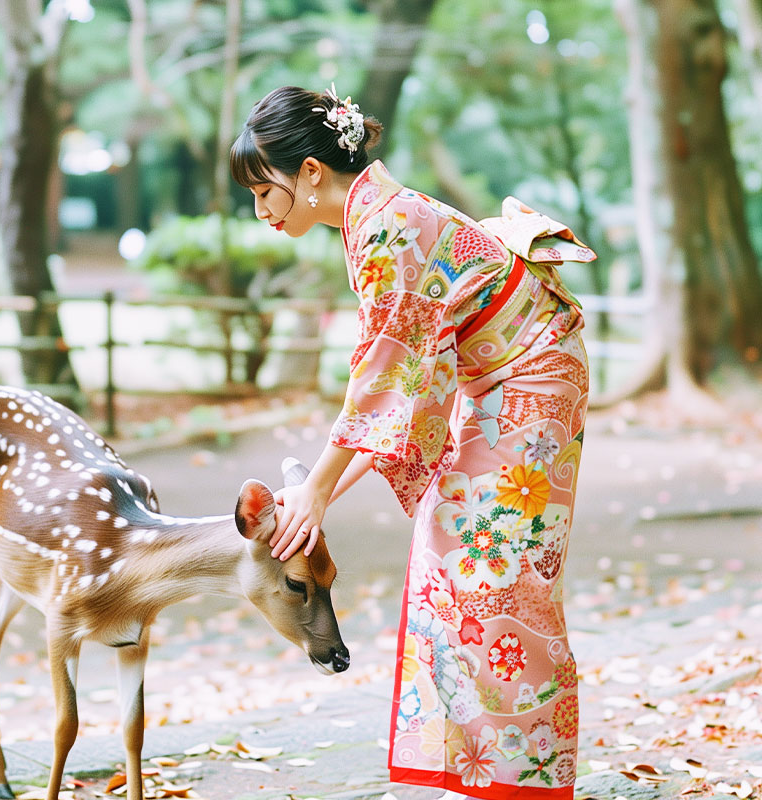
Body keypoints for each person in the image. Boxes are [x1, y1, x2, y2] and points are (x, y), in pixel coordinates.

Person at [230, 84, 595, 799]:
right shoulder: (374, 219)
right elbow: (406, 390)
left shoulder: (389, 225)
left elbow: (384, 378)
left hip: (529, 382)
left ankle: (530, 778)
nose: (261, 212)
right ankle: (491, 771)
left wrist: (318, 489)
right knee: (451, 554)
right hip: (502, 382)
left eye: (263, 191)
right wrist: (316, 494)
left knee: (497, 575)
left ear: (308, 173)